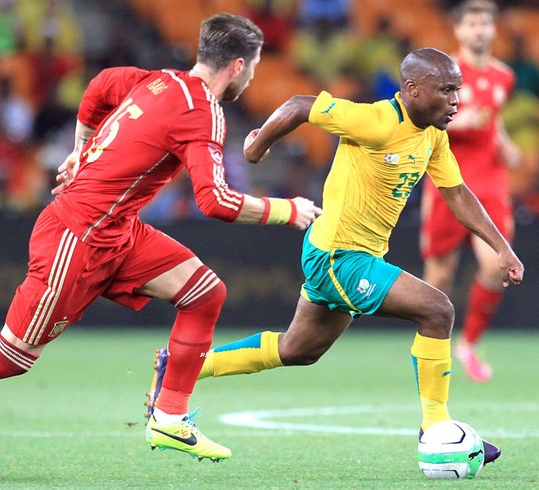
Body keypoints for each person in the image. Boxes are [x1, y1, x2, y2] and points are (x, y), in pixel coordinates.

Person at [0, 13, 322, 482]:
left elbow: (101, 85)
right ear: (238, 66)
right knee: (11, 356)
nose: (254, 76)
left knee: (204, 292)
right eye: (256, 68)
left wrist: (79, 148)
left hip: (117, 230)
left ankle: (170, 418)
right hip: (76, 237)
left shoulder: (156, 81)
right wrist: (288, 211)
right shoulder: (203, 112)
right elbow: (214, 200)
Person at [145, 47, 524, 471]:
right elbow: (298, 106)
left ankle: (181, 369)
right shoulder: (376, 121)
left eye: (459, 91)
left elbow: (456, 193)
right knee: (438, 310)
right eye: (447, 90)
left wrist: (501, 246)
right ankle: (435, 427)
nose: (457, 100)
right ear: (413, 89)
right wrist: (256, 148)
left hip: (350, 255)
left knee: (298, 349)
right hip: (338, 256)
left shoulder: (432, 134)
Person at [419, 0, 521, 383]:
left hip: (491, 181)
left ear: (493, 31)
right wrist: (460, 121)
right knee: (439, 278)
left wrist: (504, 142)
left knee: (496, 265)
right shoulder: (444, 75)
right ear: (458, 31)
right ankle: (432, 350)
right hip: (449, 181)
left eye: (486, 24)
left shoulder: (504, 76)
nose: (480, 30)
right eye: (472, 24)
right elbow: (426, 121)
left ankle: (469, 344)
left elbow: (493, 121)